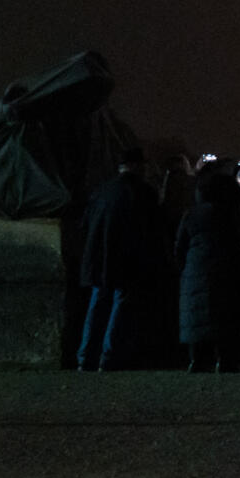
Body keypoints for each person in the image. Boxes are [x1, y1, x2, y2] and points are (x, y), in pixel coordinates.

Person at [75, 148, 163, 371]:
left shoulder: (102, 190)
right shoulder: (143, 192)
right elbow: (152, 230)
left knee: (97, 303)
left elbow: (85, 225)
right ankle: (108, 357)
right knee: (120, 305)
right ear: (137, 166)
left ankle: (85, 357)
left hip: (98, 259)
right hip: (127, 260)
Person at [174, 164, 240, 373]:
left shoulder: (191, 214)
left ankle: (196, 359)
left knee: (195, 316)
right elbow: (236, 240)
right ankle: (223, 359)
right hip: (222, 269)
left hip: (194, 269)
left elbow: (180, 246)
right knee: (222, 315)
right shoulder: (226, 214)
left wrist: (184, 267)